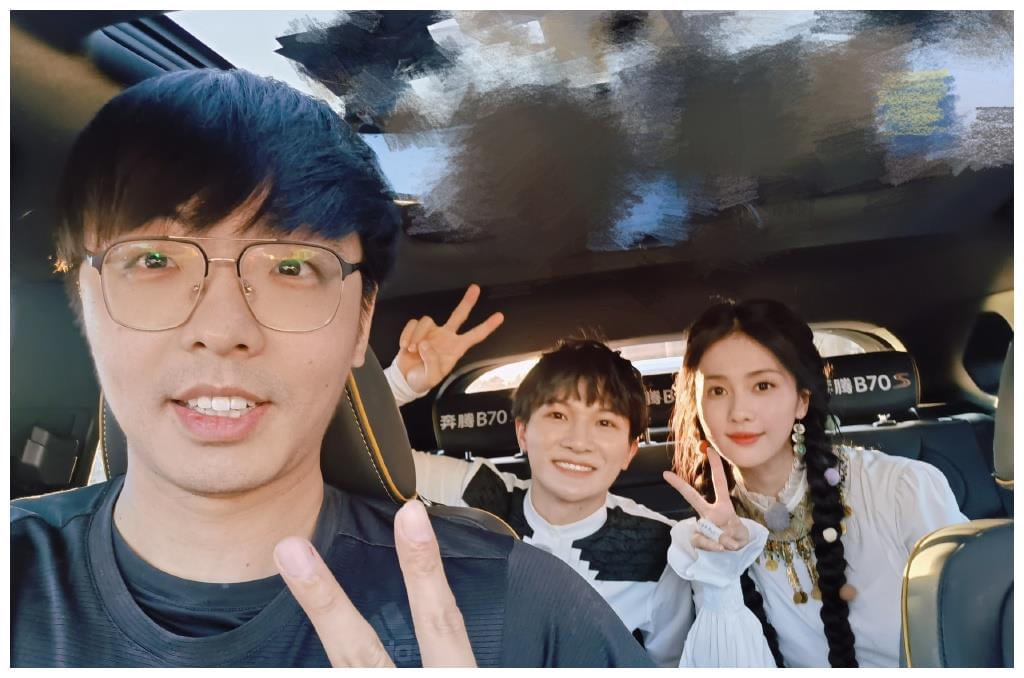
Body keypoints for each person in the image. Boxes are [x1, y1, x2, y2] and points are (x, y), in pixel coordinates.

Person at [9, 68, 654, 668]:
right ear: (82, 301)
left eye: (292, 267)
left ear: (362, 321)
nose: (222, 331)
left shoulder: (526, 610)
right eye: (153, 261)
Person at [385, 310, 775, 667]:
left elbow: (665, 663)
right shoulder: (474, 493)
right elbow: (361, 460)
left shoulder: (657, 547)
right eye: (558, 415)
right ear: (523, 432)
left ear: (630, 450)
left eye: (605, 423)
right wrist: (400, 385)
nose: (578, 441)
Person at [662, 298, 967, 667]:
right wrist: (721, 574)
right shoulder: (704, 540)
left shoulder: (901, 490)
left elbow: (973, 633)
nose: (739, 411)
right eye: (717, 391)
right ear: (697, 405)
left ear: (801, 401)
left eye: (762, 385)